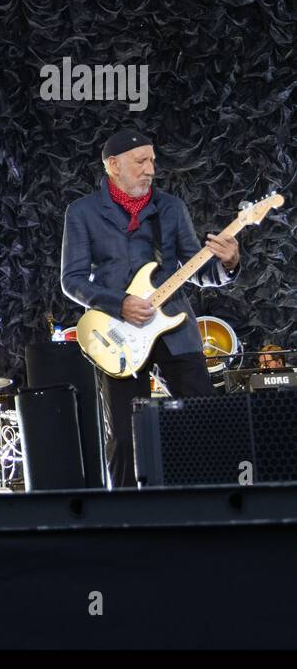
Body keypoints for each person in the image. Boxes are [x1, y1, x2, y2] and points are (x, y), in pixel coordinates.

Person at [61, 128, 239, 488]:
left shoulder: (171, 208)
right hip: (117, 334)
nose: (150, 169)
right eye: (141, 161)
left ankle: (216, 505)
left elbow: (197, 271)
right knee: (125, 438)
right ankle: (126, 521)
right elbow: (72, 280)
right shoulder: (81, 213)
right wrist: (120, 304)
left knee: (205, 420)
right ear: (113, 165)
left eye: (152, 161)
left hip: (174, 329)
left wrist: (228, 263)